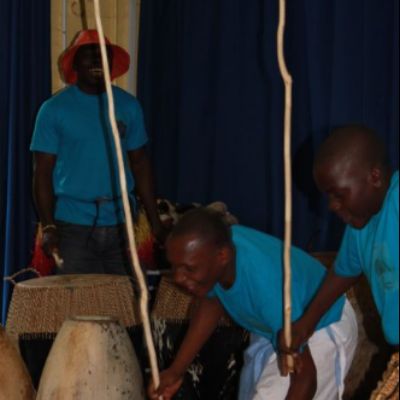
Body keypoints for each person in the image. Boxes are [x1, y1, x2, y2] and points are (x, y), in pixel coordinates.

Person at [148, 208, 358, 400]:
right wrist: (176, 371)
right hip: (274, 327)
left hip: (322, 325)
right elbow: (212, 301)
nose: (178, 278)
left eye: (188, 269)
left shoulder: (267, 286)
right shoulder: (217, 254)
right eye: (174, 267)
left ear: (223, 256)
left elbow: (306, 379)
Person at [30, 29, 165, 275]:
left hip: (123, 225)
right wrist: (48, 225)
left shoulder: (129, 106)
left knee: (123, 301)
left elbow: (140, 163)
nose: (96, 61)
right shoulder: (53, 110)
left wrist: (155, 222)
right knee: (79, 304)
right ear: (74, 64)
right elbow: (42, 173)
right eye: (89, 55)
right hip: (72, 227)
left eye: (103, 55)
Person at [280, 124, 399, 359]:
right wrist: (305, 324)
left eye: (338, 194)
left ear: (374, 177)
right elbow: (343, 273)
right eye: (328, 196)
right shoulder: (360, 227)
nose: (332, 206)